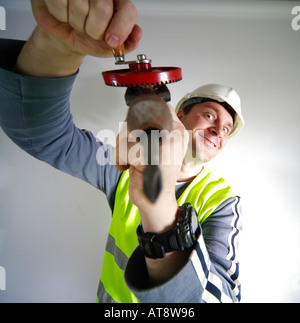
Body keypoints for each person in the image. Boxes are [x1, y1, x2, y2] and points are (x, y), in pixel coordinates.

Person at [0, 0, 243, 303]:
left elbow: (221, 299)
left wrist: (160, 205)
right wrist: (57, 47)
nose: (218, 131)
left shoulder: (223, 203)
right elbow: (43, 137)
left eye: (226, 129)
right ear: (178, 116)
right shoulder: (122, 168)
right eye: (210, 115)